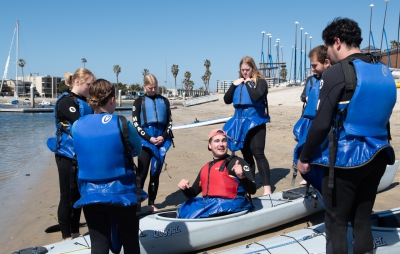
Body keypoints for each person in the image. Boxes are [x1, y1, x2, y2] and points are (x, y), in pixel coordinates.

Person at [296, 17, 396, 254]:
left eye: (328, 48)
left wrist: (305, 157)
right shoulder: (383, 71)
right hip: (379, 156)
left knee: (336, 223)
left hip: (345, 162)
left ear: (337, 42)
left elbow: (321, 124)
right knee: (362, 219)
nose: (328, 55)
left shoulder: (337, 73)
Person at [72, 79, 148, 253]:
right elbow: (136, 150)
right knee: (130, 243)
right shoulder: (122, 123)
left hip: (90, 194)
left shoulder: (77, 125)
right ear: (112, 99)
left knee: (99, 245)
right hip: (123, 193)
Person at [46, 68, 95, 241]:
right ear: (77, 82)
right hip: (66, 155)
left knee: (79, 193)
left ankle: (75, 230)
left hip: (81, 154)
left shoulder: (85, 101)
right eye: (88, 84)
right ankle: (66, 235)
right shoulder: (66, 102)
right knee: (68, 194)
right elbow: (80, 125)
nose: (90, 88)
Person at [177, 129, 256, 219]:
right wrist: (184, 188)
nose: (221, 144)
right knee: (185, 207)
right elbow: (192, 194)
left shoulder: (237, 162)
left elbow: (252, 190)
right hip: (210, 205)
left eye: (224, 141)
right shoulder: (206, 168)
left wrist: (242, 177)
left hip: (233, 206)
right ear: (210, 146)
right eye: (216, 141)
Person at [222, 56, 271, 195]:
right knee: (246, 155)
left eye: (247, 70)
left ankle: (267, 187)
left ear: (253, 69)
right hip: (240, 122)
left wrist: (249, 83)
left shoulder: (260, 82)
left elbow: (256, 97)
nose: (244, 73)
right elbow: (226, 100)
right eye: (242, 70)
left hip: (256, 121)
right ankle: (251, 183)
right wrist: (233, 85)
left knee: (258, 153)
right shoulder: (239, 82)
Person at [132, 74, 173, 212]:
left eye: (155, 87)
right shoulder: (138, 102)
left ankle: (151, 203)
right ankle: (137, 205)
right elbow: (136, 124)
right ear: (144, 86)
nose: (153, 90)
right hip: (145, 141)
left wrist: (163, 136)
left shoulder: (164, 101)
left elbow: (169, 122)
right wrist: (149, 138)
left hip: (161, 140)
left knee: (155, 173)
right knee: (141, 174)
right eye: (150, 88)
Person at [295, 46, 331, 186]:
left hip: (322, 124)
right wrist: (307, 98)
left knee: (321, 153)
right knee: (304, 151)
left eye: (315, 65)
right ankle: (308, 177)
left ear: (326, 62)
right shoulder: (311, 80)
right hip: (308, 121)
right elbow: (303, 95)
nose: (312, 69)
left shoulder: (331, 79)